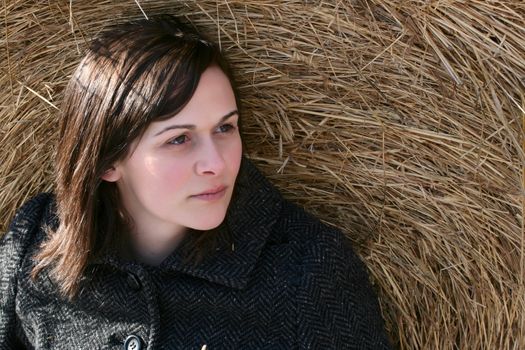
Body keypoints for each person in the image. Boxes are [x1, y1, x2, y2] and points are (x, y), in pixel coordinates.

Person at [0, 15, 391, 349]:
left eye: (225, 127)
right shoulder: (35, 242)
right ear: (107, 161)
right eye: (179, 139)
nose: (216, 162)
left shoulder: (308, 269)